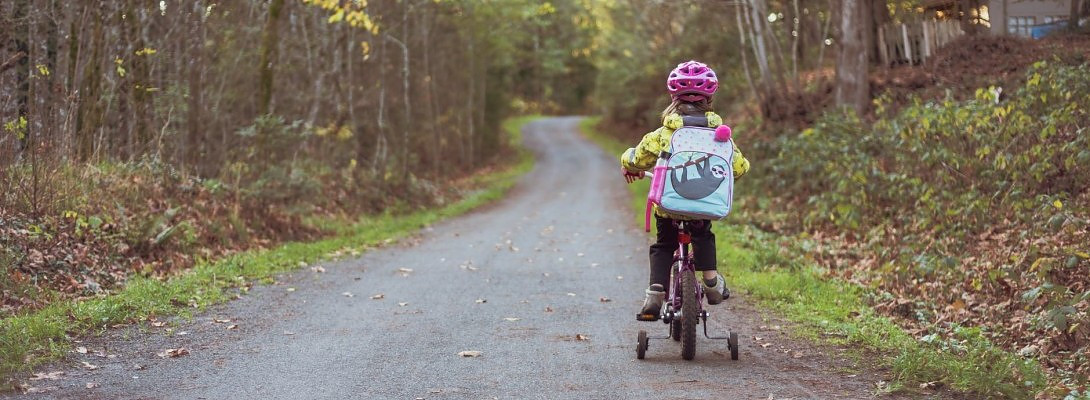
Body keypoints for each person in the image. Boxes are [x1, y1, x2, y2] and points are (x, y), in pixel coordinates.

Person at [619, 60, 750, 318]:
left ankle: (656, 293)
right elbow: (739, 167)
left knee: (664, 244)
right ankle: (711, 282)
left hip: (669, 207)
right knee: (703, 236)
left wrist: (627, 162)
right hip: (703, 208)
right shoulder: (719, 135)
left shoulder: (664, 134)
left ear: (673, 97)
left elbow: (638, 157)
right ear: (710, 98)